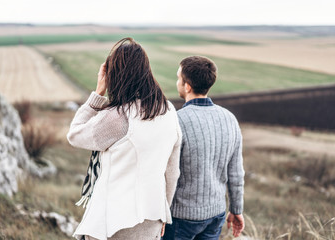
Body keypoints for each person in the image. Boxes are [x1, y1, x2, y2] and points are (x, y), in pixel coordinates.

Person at [67, 38, 182, 240]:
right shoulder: (168, 111)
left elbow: (75, 135)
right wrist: (164, 214)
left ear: (115, 75)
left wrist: (97, 94)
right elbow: (172, 172)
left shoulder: (118, 116)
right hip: (152, 218)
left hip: (112, 223)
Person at [163, 56, 245, 240]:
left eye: (179, 78)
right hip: (215, 215)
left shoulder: (177, 121)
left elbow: (167, 172)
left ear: (188, 86)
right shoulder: (229, 118)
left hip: (180, 217)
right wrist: (236, 209)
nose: (177, 82)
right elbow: (236, 172)